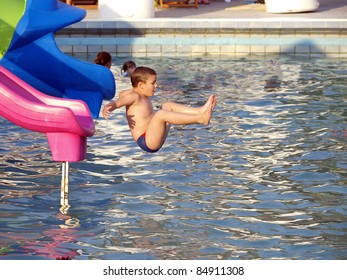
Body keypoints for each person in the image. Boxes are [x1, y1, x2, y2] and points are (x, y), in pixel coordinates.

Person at [102, 66, 216, 153]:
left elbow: (124, 93)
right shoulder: (134, 97)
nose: (156, 86)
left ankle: (200, 111)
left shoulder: (141, 95)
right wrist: (108, 107)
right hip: (147, 141)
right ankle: (200, 119)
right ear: (141, 85)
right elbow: (118, 102)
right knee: (161, 114)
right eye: (153, 83)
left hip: (155, 134)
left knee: (167, 106)